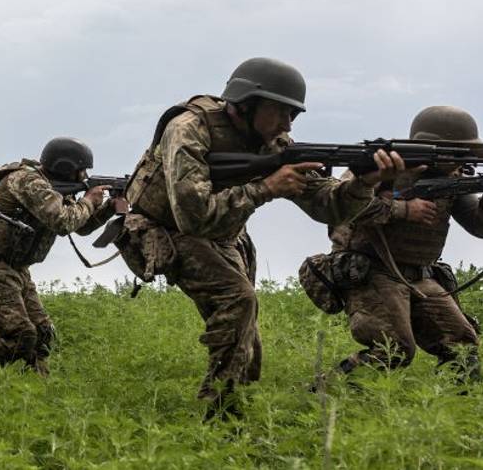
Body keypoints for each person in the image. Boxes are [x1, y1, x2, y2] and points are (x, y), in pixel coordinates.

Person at [120, 57, 401, 419]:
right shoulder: (188, 127)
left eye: (293, 117)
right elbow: (193, 216)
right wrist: (266, 188)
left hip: (222, 231)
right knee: (238, 299)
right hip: (165, 228)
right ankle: (219, 414)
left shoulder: (274, 142)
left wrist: (364, 182)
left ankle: (237, 404)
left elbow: (327, 206)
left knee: (246, 333)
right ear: (247, 102)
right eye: (281, 112)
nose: (287, 124)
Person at [329, 105, 483, 378]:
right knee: (393, 349)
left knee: (463, 348)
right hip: (372, 271)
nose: (463, 159)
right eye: (458, 152)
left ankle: (452, 413)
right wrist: (403, 209)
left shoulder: (452, 178)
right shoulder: (381, 166)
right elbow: (342, 207)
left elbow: (478, 225)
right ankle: (325, 396)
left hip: (420, 276)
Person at [0, 137, 122, 374]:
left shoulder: (52, 187)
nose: (84, 175)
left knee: (43, 333)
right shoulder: (28, 181)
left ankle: (38, 387)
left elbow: (81, 227)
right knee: (21, 335)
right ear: (66, 167)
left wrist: (109, 207)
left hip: (17, 267)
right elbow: (63, 221)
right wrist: (89, 201)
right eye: (81, 169)